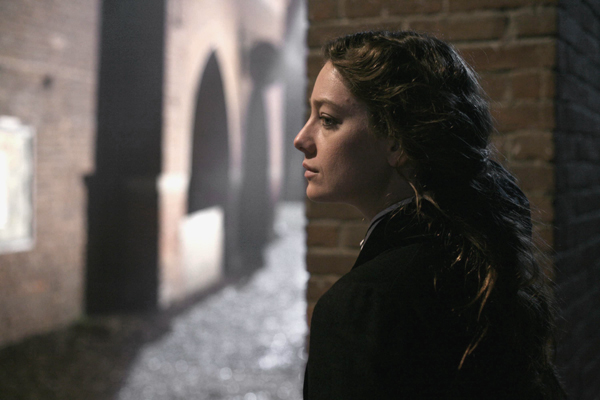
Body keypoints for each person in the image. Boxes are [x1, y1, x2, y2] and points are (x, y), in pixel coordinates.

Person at [294, 31, 565, 399]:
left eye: (328, 119)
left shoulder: (363, 307)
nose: (301, 138)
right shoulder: (476, 258)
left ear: (396, 141)